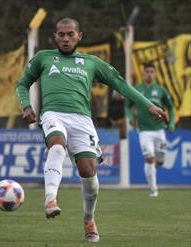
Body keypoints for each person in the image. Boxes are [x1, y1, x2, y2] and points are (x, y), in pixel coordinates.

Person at [16, 17, 167, 243]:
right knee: (56, 147)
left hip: (82, 120)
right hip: (53, 114)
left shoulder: (91, 63)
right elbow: (22, 84)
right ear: (55, 36)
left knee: (89, 172)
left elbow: (121, 85)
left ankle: (89, 219)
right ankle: (50, 200)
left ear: (79, 36)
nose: (65, 39)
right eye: (61, 34)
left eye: (70, 34)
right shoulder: (43, 58)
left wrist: (149, 105)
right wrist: (26, 105)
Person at [125, 63, 175, 197]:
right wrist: (129, 117)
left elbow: (170, 107)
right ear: (143, 73)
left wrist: (171, 123)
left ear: (156, 73)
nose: (149, 74)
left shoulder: (161, 90)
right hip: (144, 131)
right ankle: (154, 190)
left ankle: (161, 159)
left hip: (159, 129)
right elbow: (128, 105)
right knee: (150, 159)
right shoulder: (137, 89)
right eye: (147, 71)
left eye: (152, 71)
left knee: (159, 160)